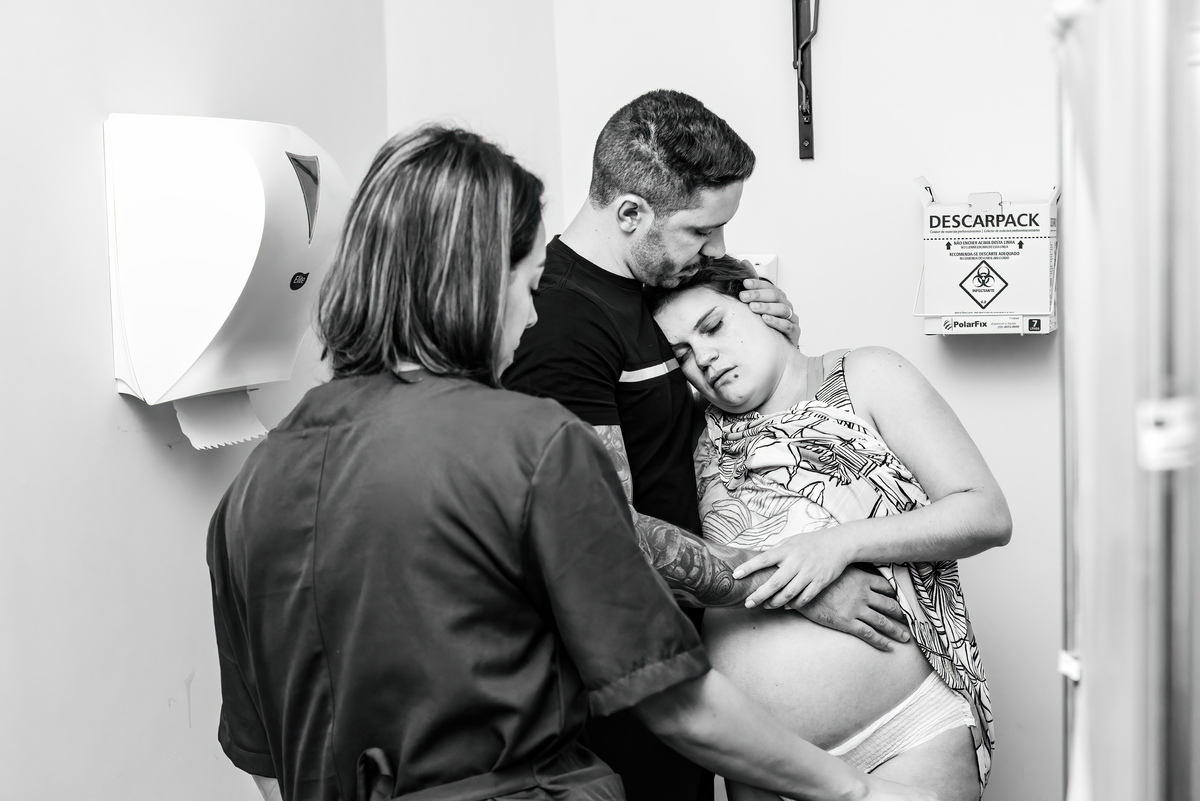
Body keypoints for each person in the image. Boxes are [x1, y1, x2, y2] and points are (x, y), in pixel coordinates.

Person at [206, 125, 934, 801]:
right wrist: (855, 789)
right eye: (527, 287)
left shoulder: (250, 491)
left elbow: (264, 757)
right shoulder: (531, 444)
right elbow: (677, 703)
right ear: (474, 283)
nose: (530, 318)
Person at [503, 89, 910, 801]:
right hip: (617, 690)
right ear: (630, 214)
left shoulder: (652, 284)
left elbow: (701, 432)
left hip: (685, 658)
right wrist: (796, 585)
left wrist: (777, 344)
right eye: (701, 231)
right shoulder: (562, 327)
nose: (716, 250)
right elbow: (607, 533)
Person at [645, 256, 1014, 801]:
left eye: (714, 326)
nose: (704, 358)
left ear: (761, 305)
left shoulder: (863, 376)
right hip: (758, 762)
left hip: (904, 737)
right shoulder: (689, 429)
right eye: (682, 355)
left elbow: (985, 513)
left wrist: (838, 544)